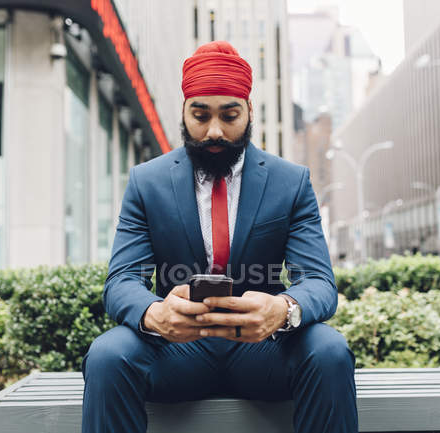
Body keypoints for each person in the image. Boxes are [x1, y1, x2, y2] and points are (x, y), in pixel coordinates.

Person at [81, 41, 358, 433]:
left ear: (249, 112)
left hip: (264, 351)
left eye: (230, 115)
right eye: (201, 115)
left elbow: (319, 282)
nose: (214, 131)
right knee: (108, 355)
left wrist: (283, 309)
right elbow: (121, 281)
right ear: (183, 112)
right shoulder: (148, 182)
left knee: (329, 351)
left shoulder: (290, 182)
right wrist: (154, 313)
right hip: (177, 350)